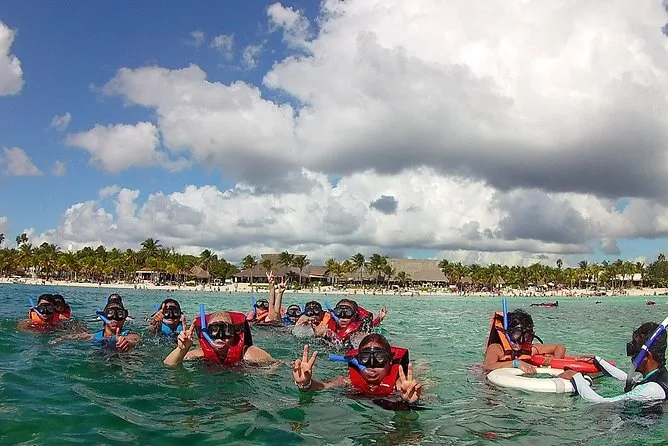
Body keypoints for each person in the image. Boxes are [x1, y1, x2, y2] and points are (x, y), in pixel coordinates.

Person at [292, 333, 422, 403]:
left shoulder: (399, 384)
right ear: (358, 359)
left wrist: (411, 401)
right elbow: (324, 386)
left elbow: (421, 395)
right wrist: (305, 383)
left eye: (380, 358)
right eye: (365, 359)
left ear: (390, 361)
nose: (371, 366)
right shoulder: (348, 380)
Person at [561, 322, 668, 402]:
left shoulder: (651, 390)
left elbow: (602, 403)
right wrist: (598, 361)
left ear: (646, 356)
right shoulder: (657, 374)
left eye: (633, 351)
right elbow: (626, 378)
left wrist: (576, 377)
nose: (631, 355)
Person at [164, 310, 275, 367]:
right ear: (206, 332)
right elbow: (168, 365)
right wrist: (181, 350)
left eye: (226, 330)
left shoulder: (248, 354)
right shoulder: (199, 354)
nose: (220, 336)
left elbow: (276, 365)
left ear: (234, 333)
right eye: (214, 330)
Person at [483, 308, 566, 374]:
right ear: (508, 332)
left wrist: (554, 359)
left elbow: (560, 347)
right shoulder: (497, 348)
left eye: (526, 336)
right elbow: (488, 366)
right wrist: (516, 363)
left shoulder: (531, 349)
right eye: (517, 334)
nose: (520, 340)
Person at [49, 300, 141, 352]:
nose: (115, 318)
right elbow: (73, 336)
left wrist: (126, 342)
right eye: (110, 313)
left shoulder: (129, 335)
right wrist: (59, 339)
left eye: (120, 314)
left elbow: (135, 339)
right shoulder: (93, 336)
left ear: (124, 318)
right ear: (103, 316)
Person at [323, 299, 388, 344]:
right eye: (339, 312)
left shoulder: (358, 332)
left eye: (348, 312)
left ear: (355, 315)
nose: (343, 316)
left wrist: (379, 318)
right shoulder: (329, 324)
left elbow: (371, 326)